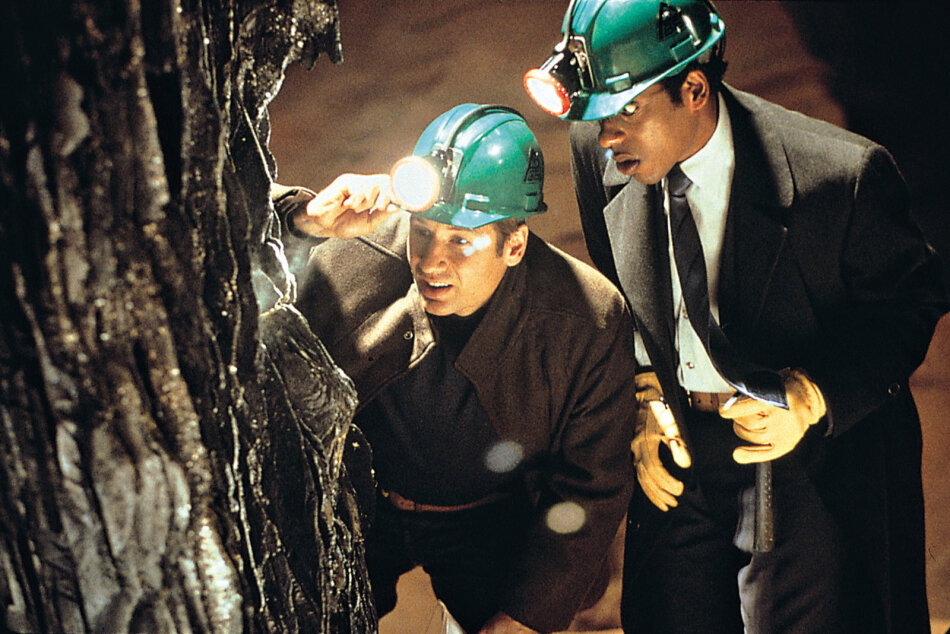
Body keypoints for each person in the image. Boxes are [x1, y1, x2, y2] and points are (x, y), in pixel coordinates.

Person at [523, 1, 949, 632]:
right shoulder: (600, 151)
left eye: (625, 111)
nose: (607, 136)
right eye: (596, 116)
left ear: (694, 89)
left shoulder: (840, 175)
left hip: (806, 461)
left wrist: (810, 396)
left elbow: (910, 301)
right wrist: (643, 394)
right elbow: (619, 290)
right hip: (679, 454)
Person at [274, 104, 637, 633]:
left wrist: (523, 617)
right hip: (361, 503)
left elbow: (592, 486)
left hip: (489, 520)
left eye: (461, 241)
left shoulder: (584, 320)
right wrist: (304, 221)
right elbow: (230, 270)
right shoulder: (360, 250)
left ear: (515, 244)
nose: (430, 261)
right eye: (423, 231)